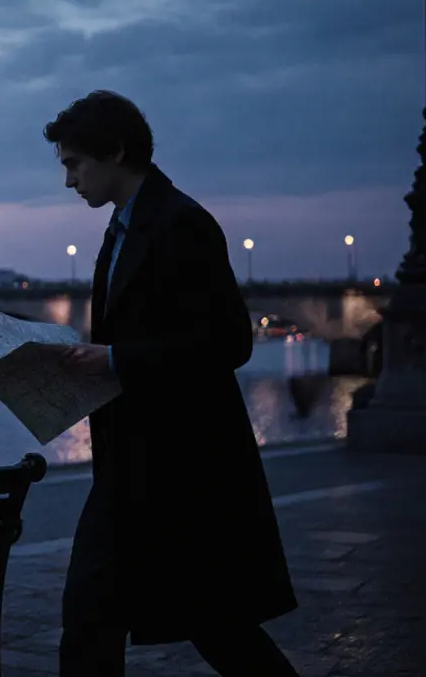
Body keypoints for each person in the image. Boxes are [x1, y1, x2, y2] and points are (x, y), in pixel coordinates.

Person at [40, 90, 300, 676]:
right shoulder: (123, 228)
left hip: (183, 465)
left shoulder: (182, 223)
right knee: (94, 614)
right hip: (131, 463)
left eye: (74, 164)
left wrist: (115, 360)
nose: (69, 181)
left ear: (116, 153)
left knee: (214, 624)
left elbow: (229, 343)